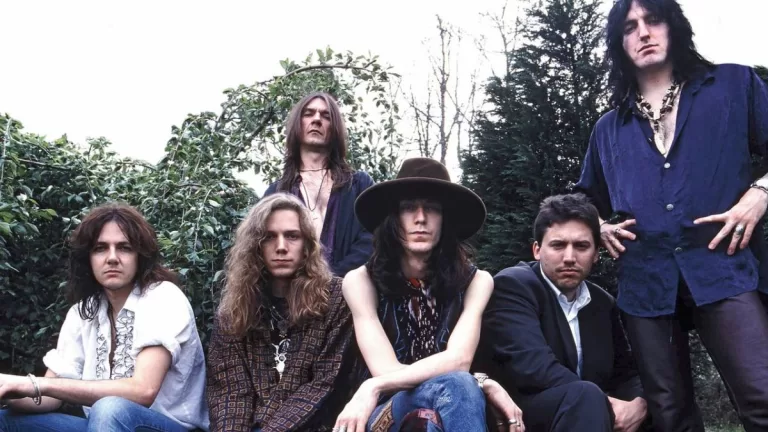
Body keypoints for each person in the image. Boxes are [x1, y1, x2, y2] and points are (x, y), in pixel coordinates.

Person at [576, 0, 768, 430]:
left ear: (674, 26)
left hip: (724, 266)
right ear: (619, 43)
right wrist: (598, 225)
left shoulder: (734, 85)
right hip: (645, 283)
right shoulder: (608, 128)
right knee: (670, 416)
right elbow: (583, 197)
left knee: (763, 396)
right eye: (630, 27)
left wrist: (760, 193)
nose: (643, 32)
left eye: (653, 20)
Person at [334, 157, 524, 432]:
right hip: (386, 410)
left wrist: (371, 386)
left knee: (441, 410)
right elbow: (386, 371)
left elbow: (459, 359)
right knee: (459, 384)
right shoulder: (360, 281)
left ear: (446, 219)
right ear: (393, 217)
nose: (420, 218)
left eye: (432, 209)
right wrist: (480, 382)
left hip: (451, 403)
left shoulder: (477, 282)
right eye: (408, 208)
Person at [0, 203, 209, 431]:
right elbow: (49, 396)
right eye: (100, 248)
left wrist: (34, 384)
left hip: (167, 427)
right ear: (88, 258)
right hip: (101, 425)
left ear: (140, 256)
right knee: (6, 420)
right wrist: (8, 390)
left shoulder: (163, 297)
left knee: (110, 408)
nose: (112, 258)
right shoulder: (83, 312)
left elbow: (143, 390)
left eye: (124, 248)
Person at [478, 194, 647, 432]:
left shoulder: (602, 303)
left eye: (581, 246)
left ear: (596, 254)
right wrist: (606, 404)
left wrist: (638, 404)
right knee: (586, 396)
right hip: (520, 416)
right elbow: (533, 368)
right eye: (558, 245)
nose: (569, 258)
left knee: (660, 410)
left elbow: (626, 371)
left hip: (585, 412)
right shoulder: (513, 286)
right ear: (537, 250)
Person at [206, 193, 355, 432]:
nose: (282, 247)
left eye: (292, 236)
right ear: (255, 246)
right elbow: (231, 394)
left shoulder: (336, 297)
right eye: (269, 237)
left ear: (307, 245)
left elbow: (323, 384)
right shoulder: (235, 308)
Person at [264, 92, 374, 277]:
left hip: (351, 289)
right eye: (308, 113)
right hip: (293, 292)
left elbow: (373, 238)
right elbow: (264, 246)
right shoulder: (276, 193)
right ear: (297, 124)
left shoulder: (359, 185)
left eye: (326, 116)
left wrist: (333, 280)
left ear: (335, 128)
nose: (316, 119)